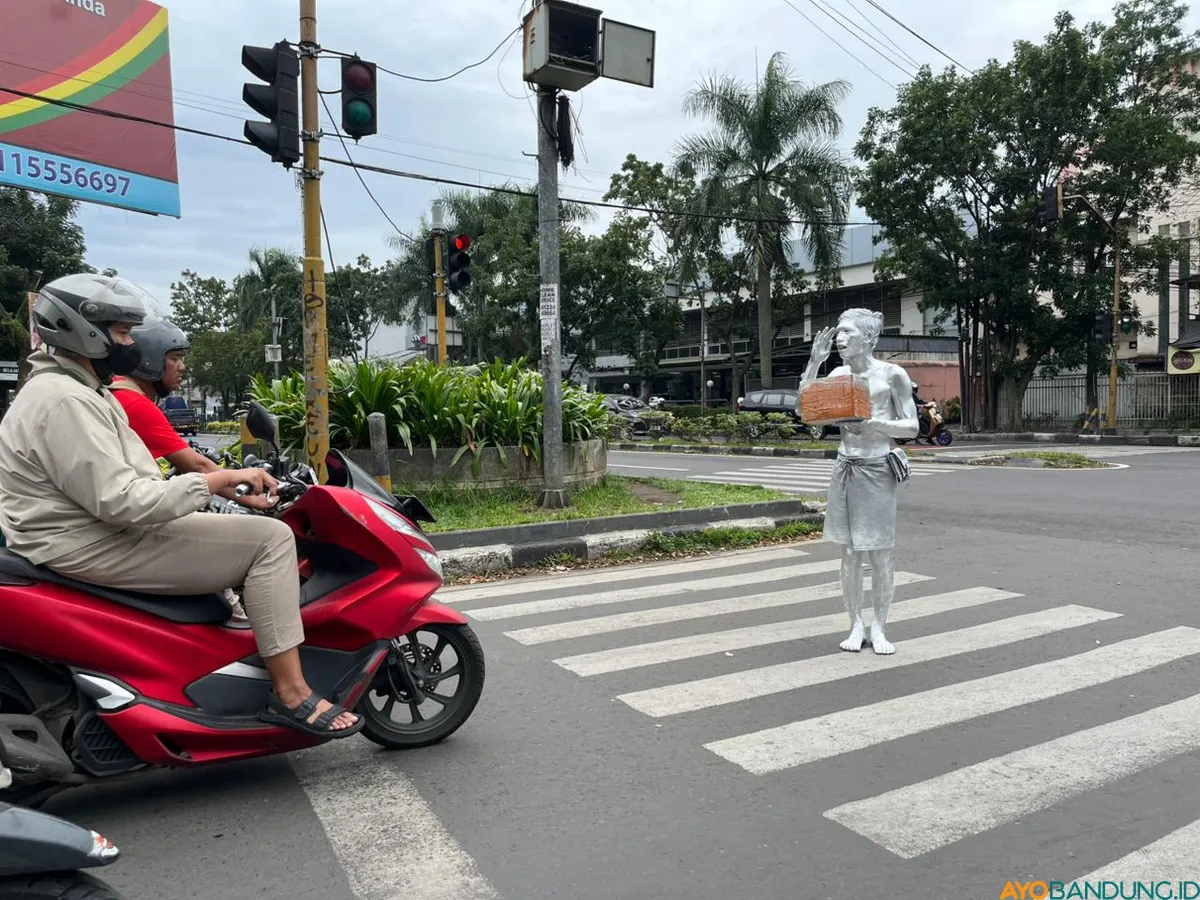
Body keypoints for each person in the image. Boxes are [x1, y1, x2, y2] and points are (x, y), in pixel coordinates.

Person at [0, 274, 361, 738]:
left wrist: (217, 488)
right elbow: (121, 500)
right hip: (91, 540)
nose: (130, 345)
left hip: (79, 533)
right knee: (271, 540)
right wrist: (216, 481)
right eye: (122, 333)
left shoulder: (75, 390)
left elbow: (127, 482)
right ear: (83, 331)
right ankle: (291, 692)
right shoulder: (66, 400)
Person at [109, 319, 247, 623]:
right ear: (149, 360)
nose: (182, 367)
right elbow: (196, 465)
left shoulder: (115, 393)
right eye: (175, 358)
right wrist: (254, 496)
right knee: (254, 545)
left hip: (123, 515)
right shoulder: (133, 402)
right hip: (132, 523)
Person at [799, 308, 919, 655]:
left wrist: (873, 424)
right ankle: (855, 624)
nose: (839, 338)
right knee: (849, 553)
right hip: (845, 466)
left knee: (879, 552)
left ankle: (879, 627)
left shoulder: (892, 375)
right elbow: (806, 411)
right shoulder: (838, 373)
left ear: (868, 337)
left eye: (847, 332)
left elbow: (911, 427)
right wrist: (814, 363)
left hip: (876, 468)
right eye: (838, 332)